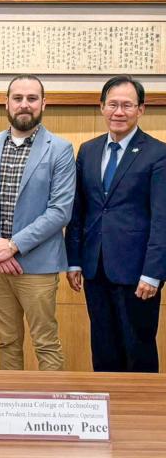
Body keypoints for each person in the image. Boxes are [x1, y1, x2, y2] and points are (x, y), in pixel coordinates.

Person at [0, 74, 75, 371]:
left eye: (32, 99)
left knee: (46, 343)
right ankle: (9, 412)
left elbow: (60, 210)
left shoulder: (60, 149)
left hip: (37, 264)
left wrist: (13, 246)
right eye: (18, 98)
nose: (24, 105)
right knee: (7, 342)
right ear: (7, 103)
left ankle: (49, 414)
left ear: (44, 103)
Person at [65, 75, 166, 372]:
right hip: (95, 267)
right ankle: (109, 414)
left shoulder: (158, 153)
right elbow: (77, 211)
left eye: (127, 105)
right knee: (103, 347)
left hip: (137, 273)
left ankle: (142, 416)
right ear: (101, 107)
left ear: (141, 110)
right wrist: (74, 261)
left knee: (138, 347)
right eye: (112, 105)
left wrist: (153, 273)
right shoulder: (88, 149)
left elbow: (162, 218)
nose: (118, 112)